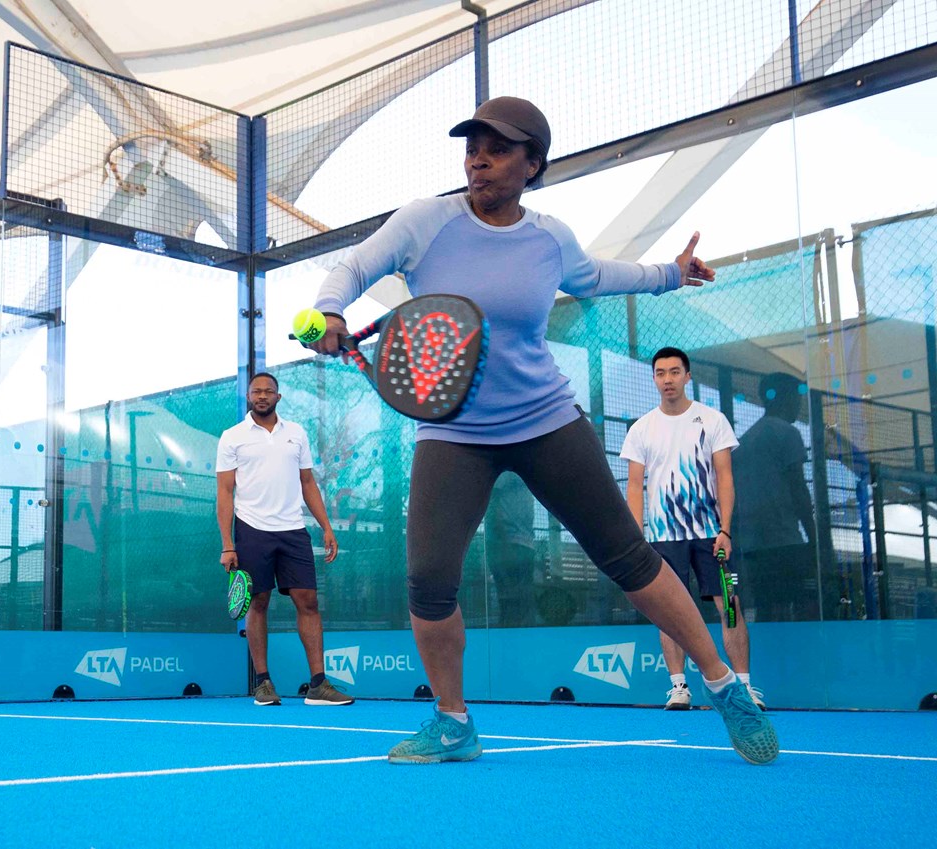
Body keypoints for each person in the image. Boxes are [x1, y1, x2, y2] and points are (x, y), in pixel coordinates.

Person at [308, 96, 777, 764]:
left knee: (629, 557)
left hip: (545, 420)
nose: (479, 159)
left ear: (533, 163)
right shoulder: (425, 222)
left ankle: (723, 684)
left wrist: (671, 274)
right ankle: (452, 722)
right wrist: (330, 310)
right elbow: (354, 266)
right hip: (454, 432)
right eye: (472, 146)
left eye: (498, 149)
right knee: (428, 578)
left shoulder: (549, 237)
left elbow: (597, 276)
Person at [621, 347, 765, 711]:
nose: (667, 379)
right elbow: (634, 487)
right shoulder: (641, 429)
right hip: (662, 540)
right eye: (660, 373)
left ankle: (744, 686)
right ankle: (678, 687)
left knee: (729, 605)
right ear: (654, 379)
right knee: (668, 610)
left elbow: (725, 476)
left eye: (674, 372)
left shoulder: (713, 420)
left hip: (710, 536)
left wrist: (725, 530)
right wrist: (638, 538)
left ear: (687, 376)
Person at [216, 372, 352, 707]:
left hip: (293, 530)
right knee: (257, 603)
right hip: (251, 530)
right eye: (256, 391)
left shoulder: (296, 433)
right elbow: (224, 492)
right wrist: (227, 544)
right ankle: (263, 684)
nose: (262, 396)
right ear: (249, 397)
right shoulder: (231, 437)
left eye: (268, 391)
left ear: (278, 397)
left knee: (308, 602)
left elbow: (307, 483)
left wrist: (326, 526)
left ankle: (319, 684)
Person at [731, 372, 820, 621]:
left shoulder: (746, 441)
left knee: (766, 608)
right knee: (792, 608)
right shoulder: (787, 433)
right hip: (783, 540)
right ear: (783, 397)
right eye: (795, 397)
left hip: (752, 545)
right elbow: (798, 489)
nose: (798, 404)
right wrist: (814, 539)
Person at [484, 472, 540, 627]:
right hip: (510, 544)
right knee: (512, 602)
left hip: (522, 544)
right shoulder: (507, 473)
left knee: (520, 603)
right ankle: (510, 642)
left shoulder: (522, 476)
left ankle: (515, 642)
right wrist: (504, 545)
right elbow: (492, 506)